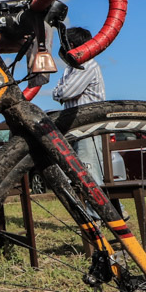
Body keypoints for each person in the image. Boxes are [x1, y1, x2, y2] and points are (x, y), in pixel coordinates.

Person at [51, 27, 106, 181]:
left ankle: (110, 206)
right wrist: (60, 92)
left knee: (91, 175)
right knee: (78, 175)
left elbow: (65, 92)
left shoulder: (87, 65)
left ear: (72, 44)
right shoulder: (71, 68)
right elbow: (58, 92)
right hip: (75, 127)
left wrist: (60, 92)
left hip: (88, 128)